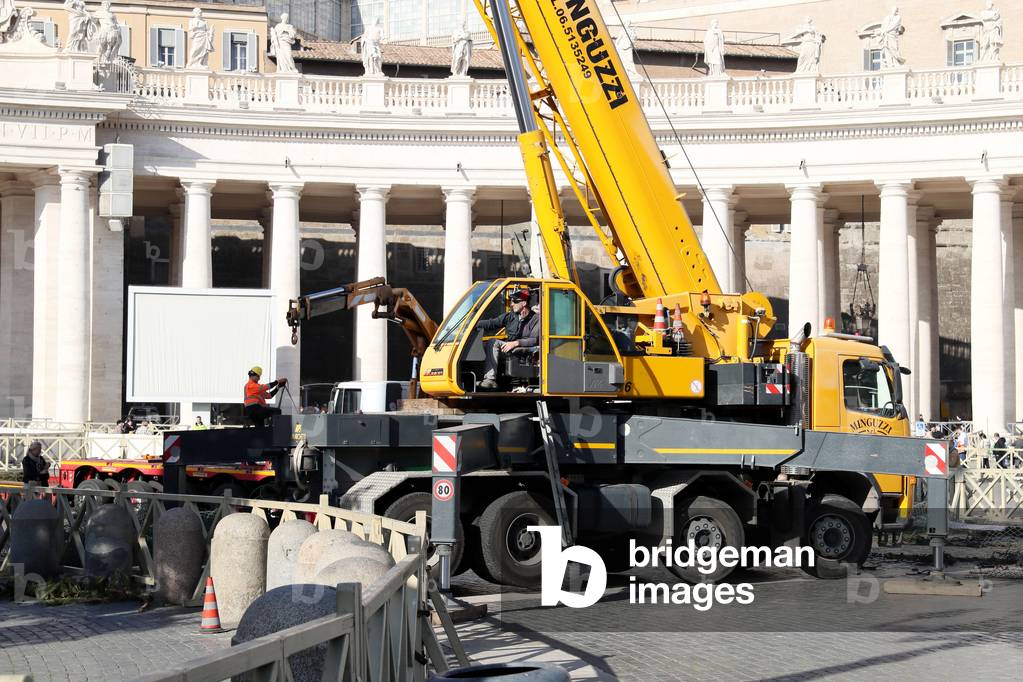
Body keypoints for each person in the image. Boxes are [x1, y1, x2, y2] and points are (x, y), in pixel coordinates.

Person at [477, 289, 540, 390]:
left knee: (492, 342)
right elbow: (492, 323)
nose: (511, 304)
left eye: (515, 301)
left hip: (524, 351)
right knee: (484, 345)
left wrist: (516, 343)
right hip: (509, 348)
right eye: (511, 301)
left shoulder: (536, 319)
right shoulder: (510, 316)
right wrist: (473, 324)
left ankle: (490, 379)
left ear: (524, 303)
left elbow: (534, 340)